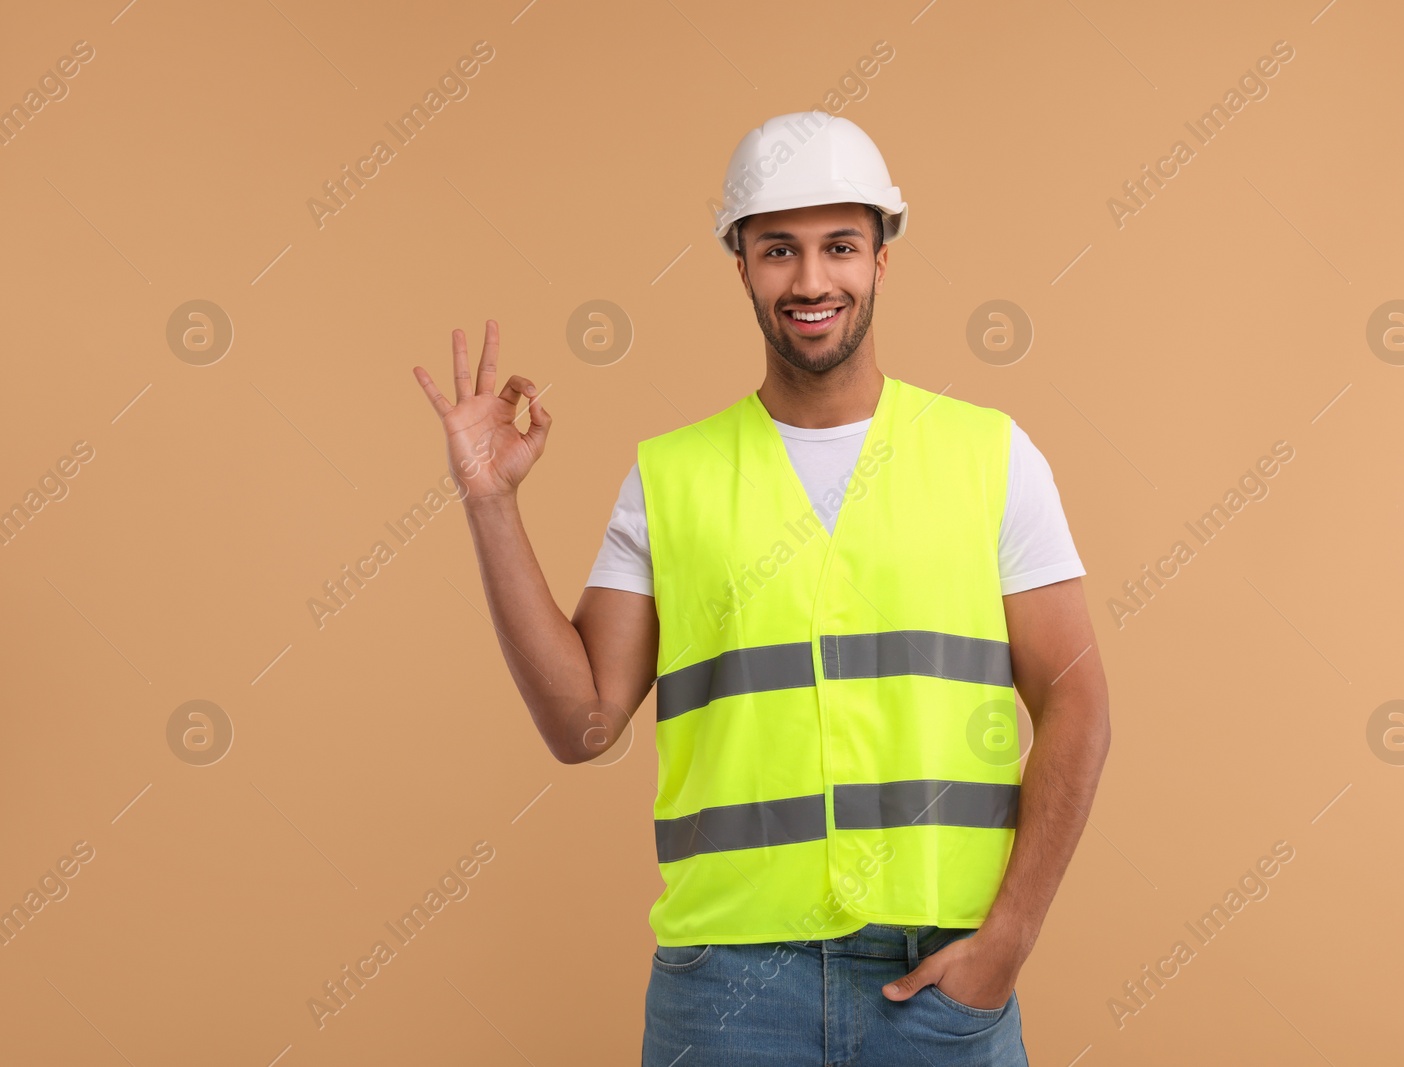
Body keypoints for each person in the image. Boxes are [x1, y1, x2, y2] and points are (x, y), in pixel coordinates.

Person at [413, 111, 1111, 1066]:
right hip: (725, 995)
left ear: (882, 258)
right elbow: (581, 724)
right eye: (780, 249)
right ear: (739, 260)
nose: (812, 280)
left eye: (840, 247)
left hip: (941, 982)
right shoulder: (672, 478)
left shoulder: (992, 457)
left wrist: (1012, 936)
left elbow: (1077, 700)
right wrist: (490, 504)